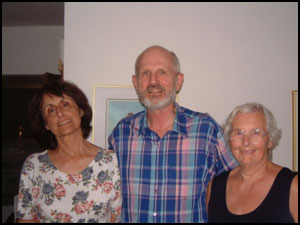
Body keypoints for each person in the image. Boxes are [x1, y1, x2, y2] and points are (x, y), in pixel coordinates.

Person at [108, 45, 237, 223]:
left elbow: (239, 182)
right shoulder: (121, 134)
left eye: (162, 72)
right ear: (136, 82)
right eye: (145, 73)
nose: (153, 81)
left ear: (178, 81)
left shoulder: (206, 130)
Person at [16, 81, 122, 223]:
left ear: (81, 110)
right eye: (51, 110)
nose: (60, 112)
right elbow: (25, 219)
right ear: (46, 124)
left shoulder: (111, 162)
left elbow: (116, 218)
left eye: (65, 104)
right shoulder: (33, 166)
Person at [206, 102, 298, 223]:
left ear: (270, 140)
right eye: (238, 133)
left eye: (256, 132)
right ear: (229, 140)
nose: (246, 142)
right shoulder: (215, 186)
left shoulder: (292, 186)